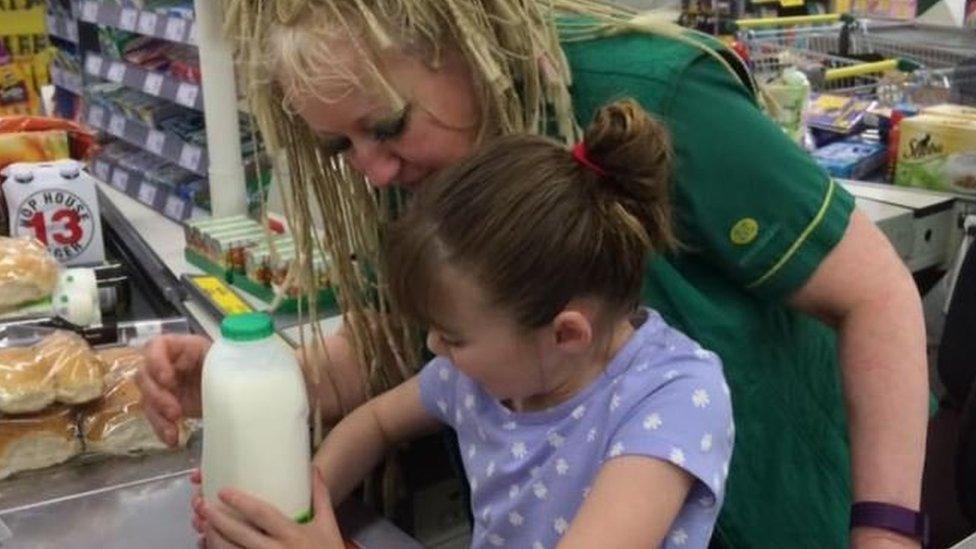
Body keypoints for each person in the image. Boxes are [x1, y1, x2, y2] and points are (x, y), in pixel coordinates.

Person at [136, 1, 929, 547]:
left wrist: (885, 532)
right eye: (340, 148)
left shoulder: (654, 96)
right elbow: (416, 340)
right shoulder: (423, 172)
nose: (371, 169)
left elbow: (876, 294)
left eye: (384, 127)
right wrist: (262, 378)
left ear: (455, 33)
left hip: (773, 508)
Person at [202, 99, 734, 549]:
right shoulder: (483, 375)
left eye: (453, 336)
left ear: (567, 333)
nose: (435, 347)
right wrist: (294, 506)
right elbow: (375, 425)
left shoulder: (671, 399)